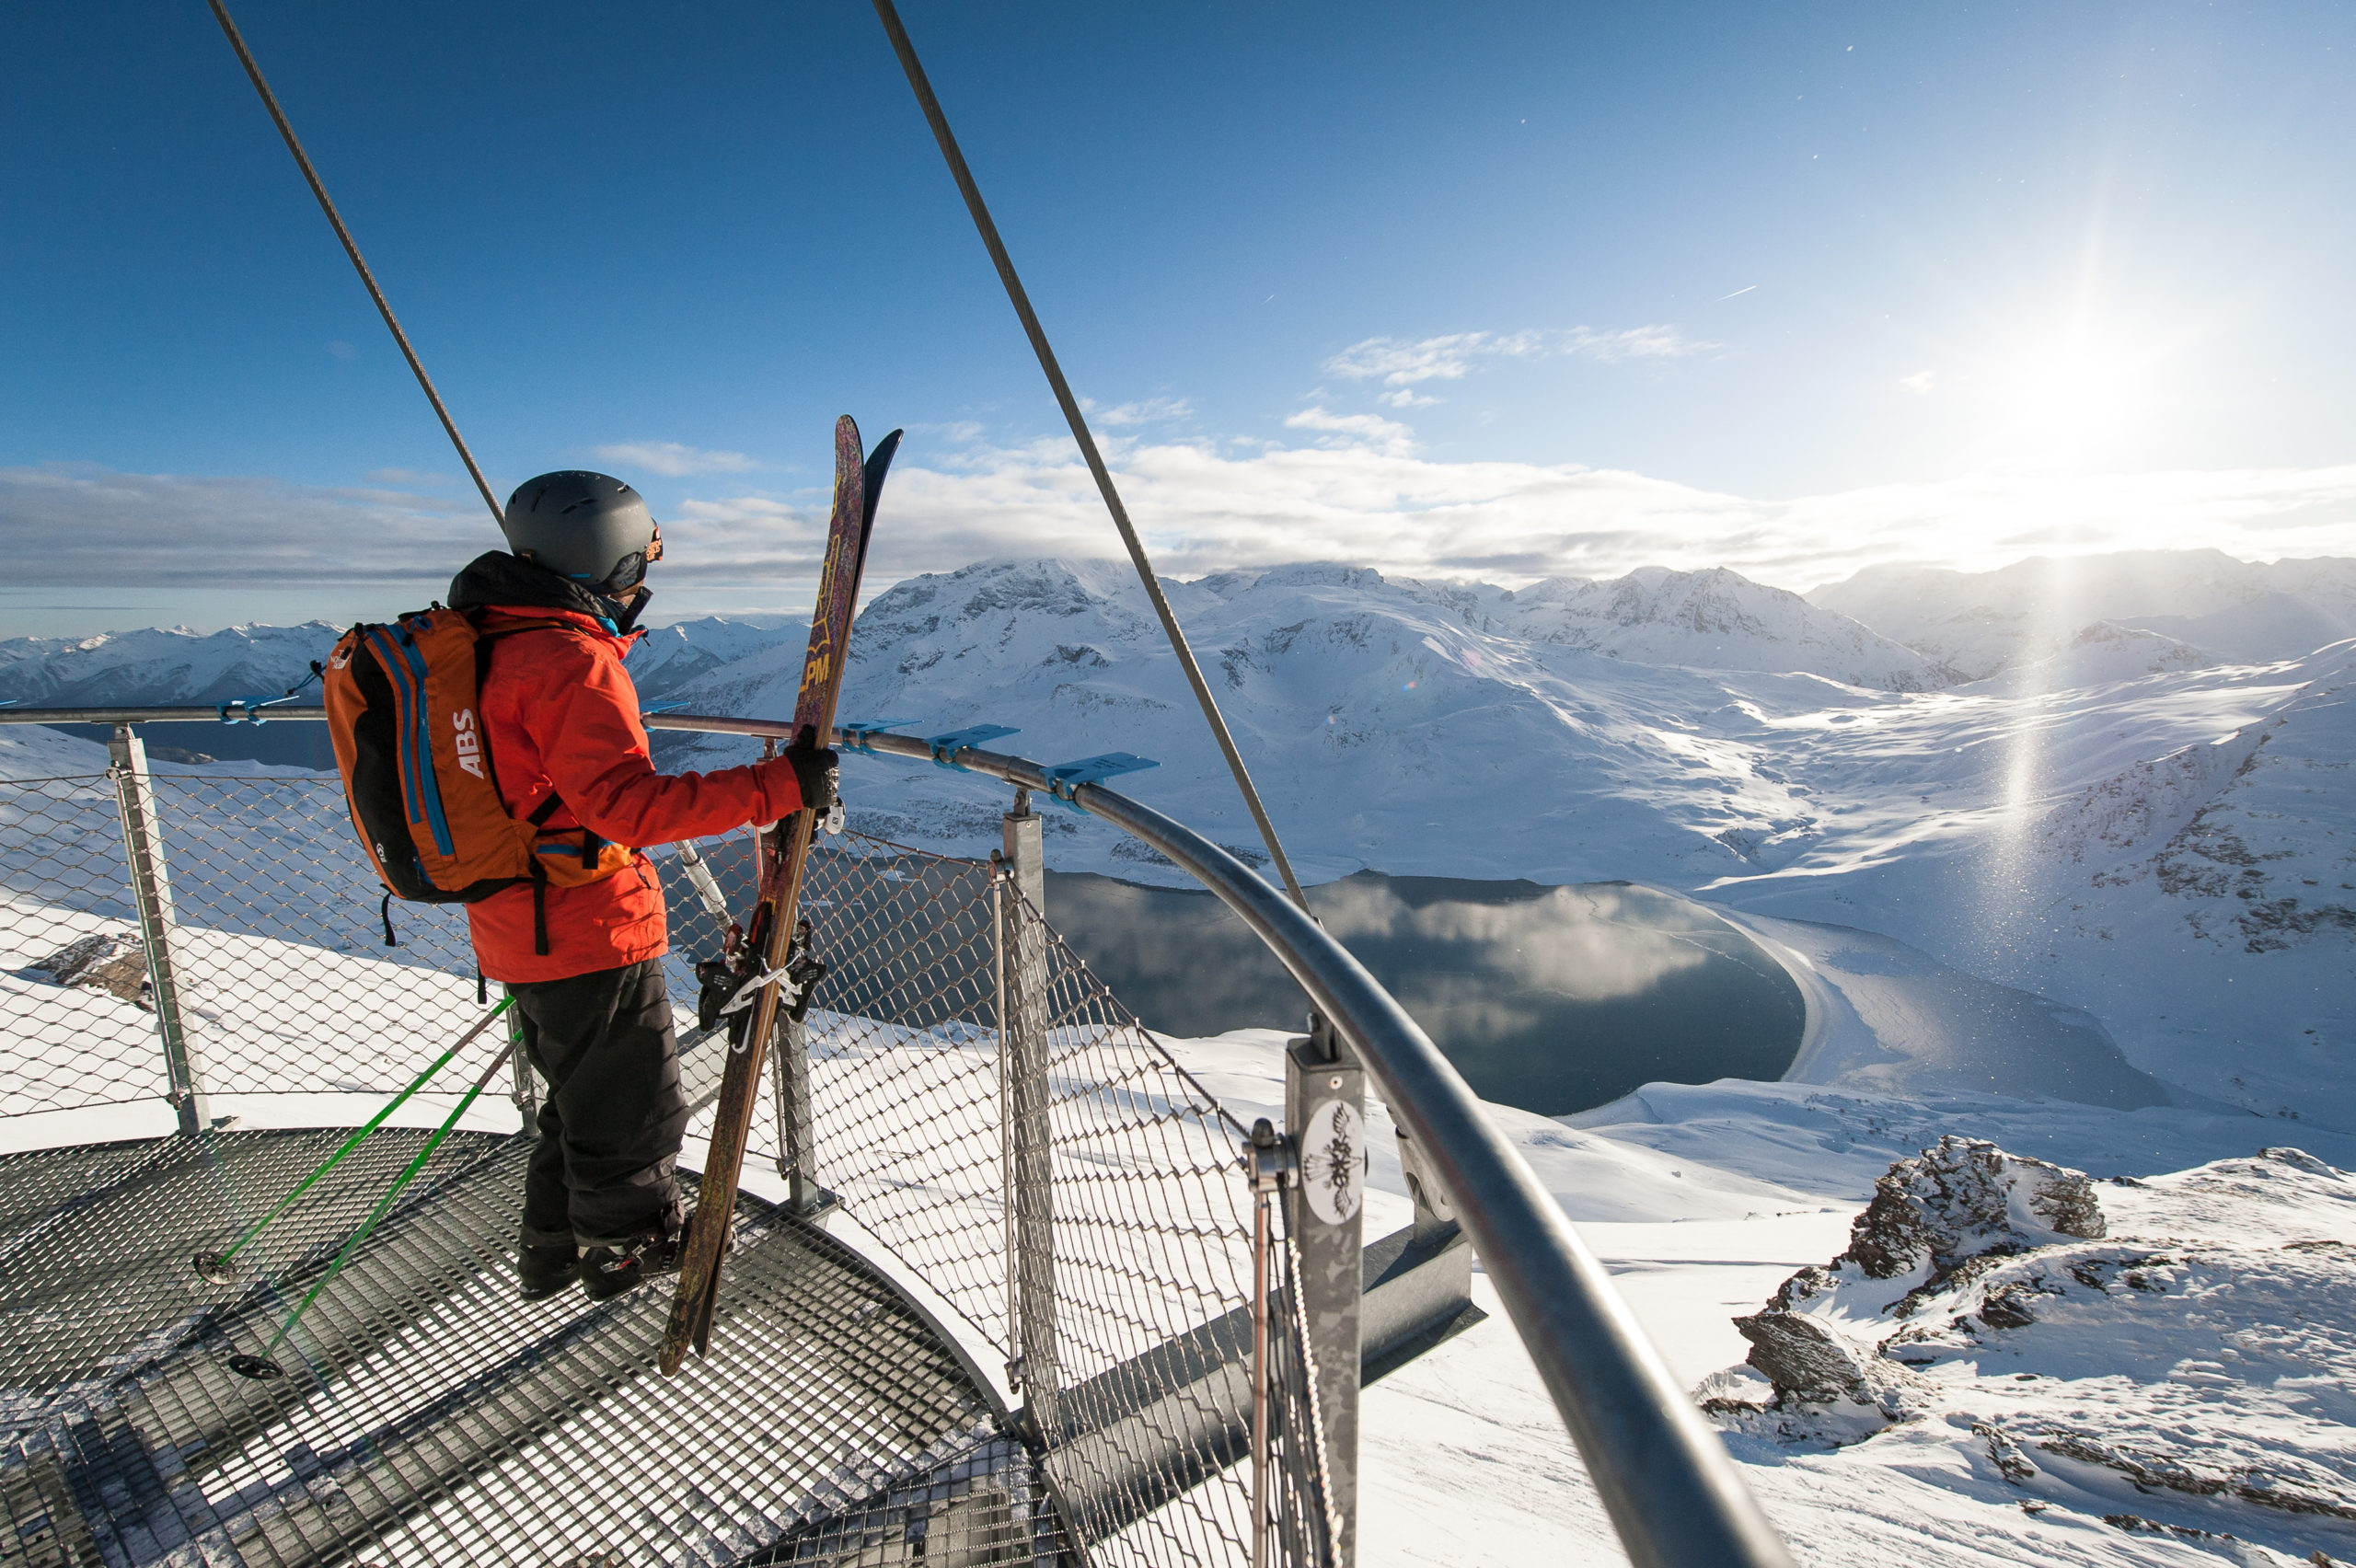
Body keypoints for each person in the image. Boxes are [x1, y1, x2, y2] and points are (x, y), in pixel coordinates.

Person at [448, 469, 837, 1302]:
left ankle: (553, 1250)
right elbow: (627, 808)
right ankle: (626, 1249)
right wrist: (781, 787)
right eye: (636, 566)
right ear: (606, 565)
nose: (642, 585)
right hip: (580, 927)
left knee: (583, 1097)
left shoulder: (486, 640)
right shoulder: (566, 658)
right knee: (638, 1112)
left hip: (521, 919)